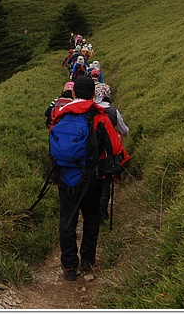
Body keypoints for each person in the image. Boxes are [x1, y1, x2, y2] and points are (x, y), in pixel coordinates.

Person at [49, 76, 129, 281]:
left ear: (73, 93)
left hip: (65, 176)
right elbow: (116, 147)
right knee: (91, 218)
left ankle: (69, 266)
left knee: (67, 220)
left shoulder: (60, 114)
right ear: (94, 94)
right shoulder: (98, 117)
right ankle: (87, 261)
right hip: (93, 178)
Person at [93, 83, 130, 220]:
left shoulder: (91, 112)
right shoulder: (114, 112)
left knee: (94, 182)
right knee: (106, 183)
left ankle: (92, 211)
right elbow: (124, 130)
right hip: (110, 154)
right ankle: (102, 214)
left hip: (94, 154)